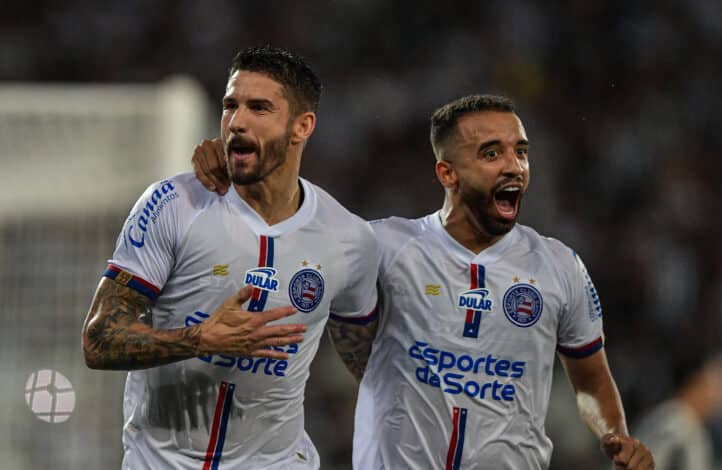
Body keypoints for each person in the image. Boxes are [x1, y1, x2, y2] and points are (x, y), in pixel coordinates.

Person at [192, 95, 654, 469]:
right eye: (491, 153)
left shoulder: (559, 266)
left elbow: (591, 378)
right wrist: (236, 175)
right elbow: (286, 235)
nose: (514, 166)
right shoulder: (384, 246)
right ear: (446, 172)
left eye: (521, 151)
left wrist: (614, 433)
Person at [81, 45, 380, 469]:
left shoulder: (349, 238)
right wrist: (199, 339)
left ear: (302, 126)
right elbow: (98, 340)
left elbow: (369, 361)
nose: (237, 122)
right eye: (230, 105)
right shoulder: (175, 204)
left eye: (259, 108)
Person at [633, 348, 722, 470]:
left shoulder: (688, 425)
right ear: (696, 381)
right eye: (717, 386)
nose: (721, 396)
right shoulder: (674, 425)